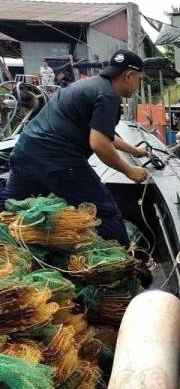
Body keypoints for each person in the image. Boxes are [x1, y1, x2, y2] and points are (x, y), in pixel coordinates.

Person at [0, 49, 148, 247]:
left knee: (8, 208)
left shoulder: (89, 85)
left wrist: (134, 151)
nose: (138, 85)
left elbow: (102, 134)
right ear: (128, 76)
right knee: (105, 212)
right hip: (60, 163)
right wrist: (130, 171)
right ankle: (126, 264)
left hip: (25, 153)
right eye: (139, 79)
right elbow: (99, 144)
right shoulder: (109, 96)